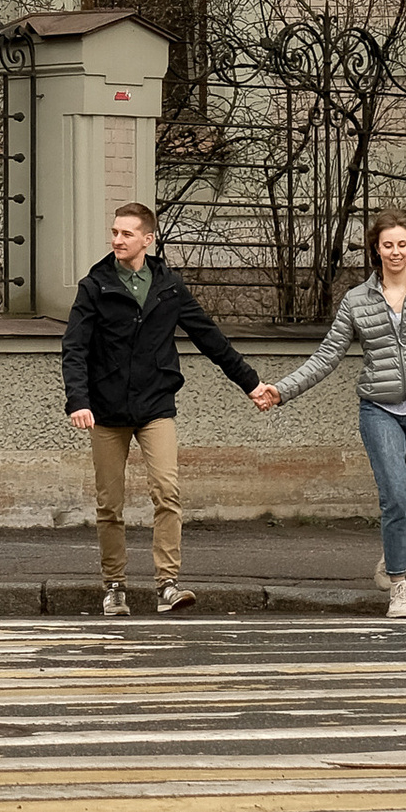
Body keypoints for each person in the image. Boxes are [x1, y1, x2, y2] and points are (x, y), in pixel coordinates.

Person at [252, 210, 406, 619]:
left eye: (402, 244)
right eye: (387, 244)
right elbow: (326, 357)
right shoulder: (357, 300)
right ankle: (399, 586)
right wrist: (281, 391)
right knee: (396, 496)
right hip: (379, 411)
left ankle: (391, 556)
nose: (395, 252)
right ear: (376, 249)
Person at [62, 201, 265, 618]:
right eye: (115, 232)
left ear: (147, 239)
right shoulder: (95, 286)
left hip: (156, 406)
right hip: (106, 411)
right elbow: (75, 348)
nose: (117, 239)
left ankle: (167, 585)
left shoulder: (168, 286)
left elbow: (210, 337)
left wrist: (251, 383)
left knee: (167, 492)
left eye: (126, 233)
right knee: (109, 503)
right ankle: (115, 587)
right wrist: (79, 401)